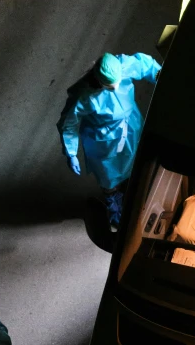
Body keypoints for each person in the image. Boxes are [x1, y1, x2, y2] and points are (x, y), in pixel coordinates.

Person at [57, 52, 162, 231]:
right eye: (109, 86)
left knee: (135, 156)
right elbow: (69, 123)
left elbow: (146, 66)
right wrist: (71, 152)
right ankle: (113, 201)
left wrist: (162, 76)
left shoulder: (123, 66)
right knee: (109, 172)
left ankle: (132, 188)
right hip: (104, 141)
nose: (115, 88)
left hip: (130, 127)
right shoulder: (84, 95)